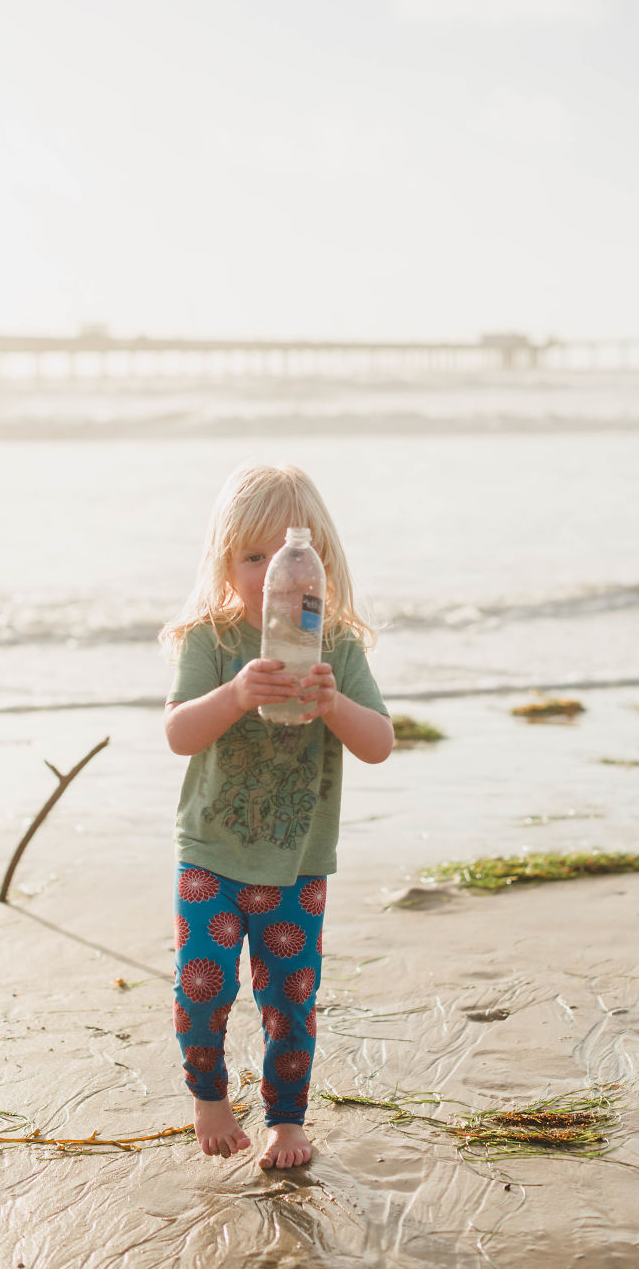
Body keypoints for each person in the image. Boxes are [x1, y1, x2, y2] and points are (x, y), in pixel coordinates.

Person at [160, 463, 393, 1170]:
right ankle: (209, 1097)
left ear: (319, 568)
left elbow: (379, 743)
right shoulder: (213, 640)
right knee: (203, 983)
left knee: (289, 1000)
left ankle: (287, 1122)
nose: (272, 576)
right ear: (225, 561)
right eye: (252, 558)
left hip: (296, 861)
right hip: (210, 852)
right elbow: (178, 734)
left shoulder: (339, 648)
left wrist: (334, 706)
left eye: (289, 559)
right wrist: (232, 696)